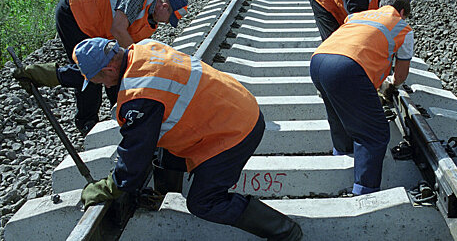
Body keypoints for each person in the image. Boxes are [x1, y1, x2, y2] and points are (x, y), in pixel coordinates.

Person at [74, 37, 302, 240]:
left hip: (233, 134)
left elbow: (135, 151)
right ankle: (163, 193)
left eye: (99, 80)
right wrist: (48, 74)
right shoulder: (144, 47)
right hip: (238, 107)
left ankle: (286, 232)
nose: (104, 86)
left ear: (110, 70)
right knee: (162, 154)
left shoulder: (139, 94)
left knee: (204, 202)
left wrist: (111, 186)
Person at [13, 0, 188, 135]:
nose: (167, 23)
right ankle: (86, 122)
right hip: (76, 14)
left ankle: (120, 113)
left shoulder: (150, 22)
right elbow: (118, 29)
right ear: (164, 6)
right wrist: (139, 63)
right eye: (169, 18)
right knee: (93, 71)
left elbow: (123, 58)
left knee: (115, 68)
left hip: (98, 27)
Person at [310, 0, 414, 196]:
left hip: (318, 61)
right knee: (374, 133)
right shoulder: (402, 26)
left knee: (338, 116)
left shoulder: (359, 15)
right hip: (346, 68)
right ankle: (364, 191)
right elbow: (401, 75)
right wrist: (391, 83)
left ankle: (342, 155)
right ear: (402, 11)